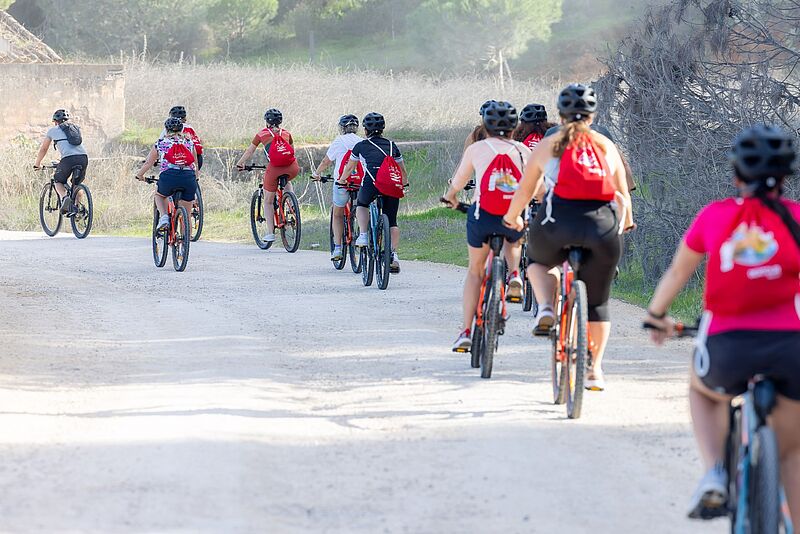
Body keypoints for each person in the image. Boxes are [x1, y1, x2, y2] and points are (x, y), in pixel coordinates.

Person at [644, 125, 800, 522]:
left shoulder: (715, 215)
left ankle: (715, 472)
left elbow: (678, 274)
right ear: (786, 175)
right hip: (791, 349)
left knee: (702, 390)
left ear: (736, 174)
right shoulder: (797, 218)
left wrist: (656, 317)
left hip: (727, 348)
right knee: (792, 452)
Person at [503, 84, 634, 391]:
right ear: (593, 115)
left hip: (557, 221)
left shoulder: (550, 143)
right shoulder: (605, 144)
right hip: (601, 226)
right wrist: (626, 222)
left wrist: (512, 216)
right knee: (598, 303)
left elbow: (526, 190)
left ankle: (547, 307)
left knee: (535, 263)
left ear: (560, 115)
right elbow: (623, 194)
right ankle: (595, 370)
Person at [443, 101, 531, 352]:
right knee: (514, 239)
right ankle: (515, 274)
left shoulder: (477, 148)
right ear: (514, 126)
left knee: (475, 272)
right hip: (512, 216)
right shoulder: (525, 151)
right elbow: (537, 187)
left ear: (486, 125)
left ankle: (467, 331)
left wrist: (451, 197)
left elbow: (458, 183)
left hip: (483, 216)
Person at [340, 112, 408, 273]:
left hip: (371, 184)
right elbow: (402, 169)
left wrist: (342, 180)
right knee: (392, 221)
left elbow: (350, 167)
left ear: (365, 130)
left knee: (362, 205)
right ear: (383, 129)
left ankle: (363, 234)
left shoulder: (361, 146)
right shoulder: (392, 145)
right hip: (391, 185)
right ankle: (393, 254)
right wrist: (404, 183)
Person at [236, 108, 300, 244]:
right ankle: (292, 203)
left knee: (268, 201)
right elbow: (292, 151)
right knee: (287, 180)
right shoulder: (287, 133)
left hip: (275, 168)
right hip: (293, 167)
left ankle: (270, 233)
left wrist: (240, 163)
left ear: (267, 122)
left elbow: (250, 151)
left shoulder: (261, 134)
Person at [312, 114, 364, 261]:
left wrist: (316, 173)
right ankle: (363, 236)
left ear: (342, 128)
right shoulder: (362, 141)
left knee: (337, 214)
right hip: (360, 182)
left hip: (342, 182)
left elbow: (326, 161)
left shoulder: (339, 141)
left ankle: (338, 249)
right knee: (362, 208)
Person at [135, 117, 198, 231]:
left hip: (169, 177)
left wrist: (140, 175)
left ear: (166, 130)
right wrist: (196, 179)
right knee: (187, 217)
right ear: (182, 129)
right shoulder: (189, 142)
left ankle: (164, 217)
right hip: (189, 178)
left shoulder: (161, 143)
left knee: (159, 195)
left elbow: (149, 162)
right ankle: (184, 244)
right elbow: (195, 164)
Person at [33, 109, 88, 215]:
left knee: (58, 181)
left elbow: (43, 149)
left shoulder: (53, 131)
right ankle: (77, 209)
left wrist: (37, 164)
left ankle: (65, 198)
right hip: (83, 157)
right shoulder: (75, 128)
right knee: (76, 184)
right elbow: (73, 148)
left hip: (68, 159)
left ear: (55, 121)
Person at [168, 106, 204, 170]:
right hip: (198, 159)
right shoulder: (190, 127)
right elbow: (200, 141)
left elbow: (161, 144)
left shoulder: (170, 128)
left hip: (183, 160)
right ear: (185, 118)